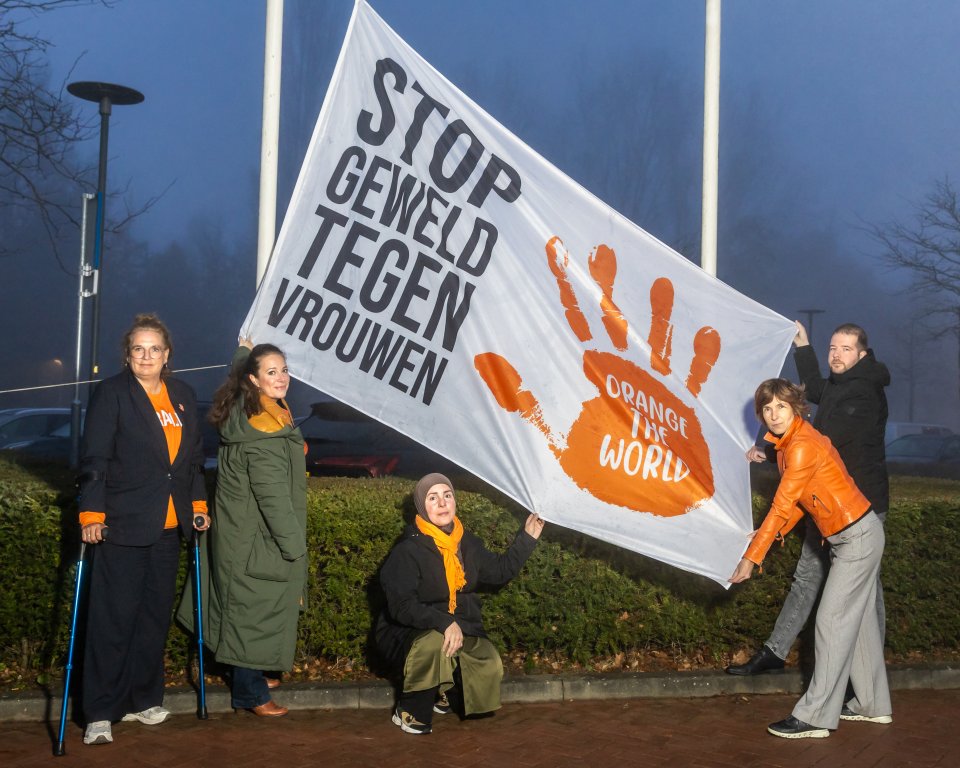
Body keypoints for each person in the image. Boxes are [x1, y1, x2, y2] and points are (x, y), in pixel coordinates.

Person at [730, 378, 891, 739]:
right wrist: (771, 534)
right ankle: (871, 705)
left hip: (856, 539)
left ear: (796, 407)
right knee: (861, 622)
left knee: (831, 621)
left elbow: (782, 504)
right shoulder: (790, 443)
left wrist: (753, 558)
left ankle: (816, 716)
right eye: (767, 408)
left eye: (780, 407)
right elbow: (802, 504)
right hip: (853, 537)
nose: (773, 414)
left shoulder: (800, 445)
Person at [78, 314, 209, 746]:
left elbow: (191, 463)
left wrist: (198, 507)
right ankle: (100, 709)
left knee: (152, 619)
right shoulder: (113, 394)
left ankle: (142, 697)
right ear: (128, 355)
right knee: (111, 621)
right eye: (139, 348)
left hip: (169, 529)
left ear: (167, 355)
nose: (147, 356)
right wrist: (91, 515)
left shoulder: (184, 395)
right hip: (123, 525)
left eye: (155, 348)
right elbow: (95, 458)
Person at [376, 473, 545, 735]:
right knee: (434, 644)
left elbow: (499, 572)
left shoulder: (467, 543)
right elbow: (402, 606)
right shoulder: (408, 550)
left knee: (486, 658)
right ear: (422, 506)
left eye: (447, 495)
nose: (442, 503)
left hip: (459, 623)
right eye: (433, 498)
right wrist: (444, 622)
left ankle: (445, 691)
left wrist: (528, 537)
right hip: (408, 631)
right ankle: (410, 710)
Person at [202, 340, 307, 717]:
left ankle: (256, 674)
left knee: (248, 603)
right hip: (253, 538)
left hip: (240, 535)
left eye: (284, 370)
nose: (281, 378)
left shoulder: (248, 409)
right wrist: (296, 548)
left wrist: (243, 350)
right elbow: (274, 498)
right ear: (255, 380)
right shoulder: (261, 431)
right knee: (252, 609)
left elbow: (240, 370)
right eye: (271, 372)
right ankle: (250, 693)